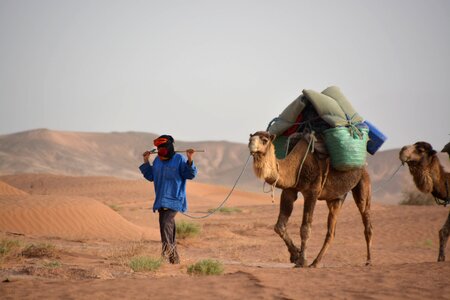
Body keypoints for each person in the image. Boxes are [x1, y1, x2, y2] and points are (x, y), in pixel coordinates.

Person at [139, 134, 197, 264]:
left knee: (165, 226)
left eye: (163, 146)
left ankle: (166, 256)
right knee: (168, 229)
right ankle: (174, 259)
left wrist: (190, 159)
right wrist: (145, 161)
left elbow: (190, 174)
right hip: (160, 200)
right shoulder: (158, 161)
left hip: (175, 199)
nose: (161, 149)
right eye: (159, 147)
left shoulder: (179, 159)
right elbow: (150, 176)